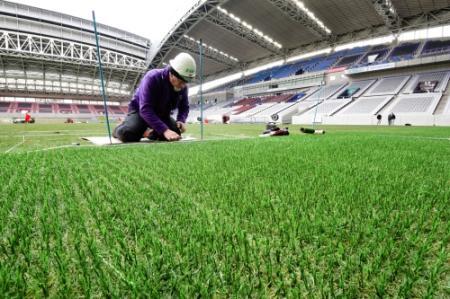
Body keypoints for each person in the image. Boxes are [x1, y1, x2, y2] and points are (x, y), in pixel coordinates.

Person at [113, 52, 196, 142]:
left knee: (175, 133)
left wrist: (181, 120)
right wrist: (165, 130)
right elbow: (145, 109)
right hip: (140, 112)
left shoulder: (183, 86)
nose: (183, 85)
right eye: (181, 81)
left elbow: (184, 107)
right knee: (127, 134)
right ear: (172, 74)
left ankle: (148, 133)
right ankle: (118, 129)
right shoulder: (152, 77)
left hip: (162, 115)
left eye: (186, 82)